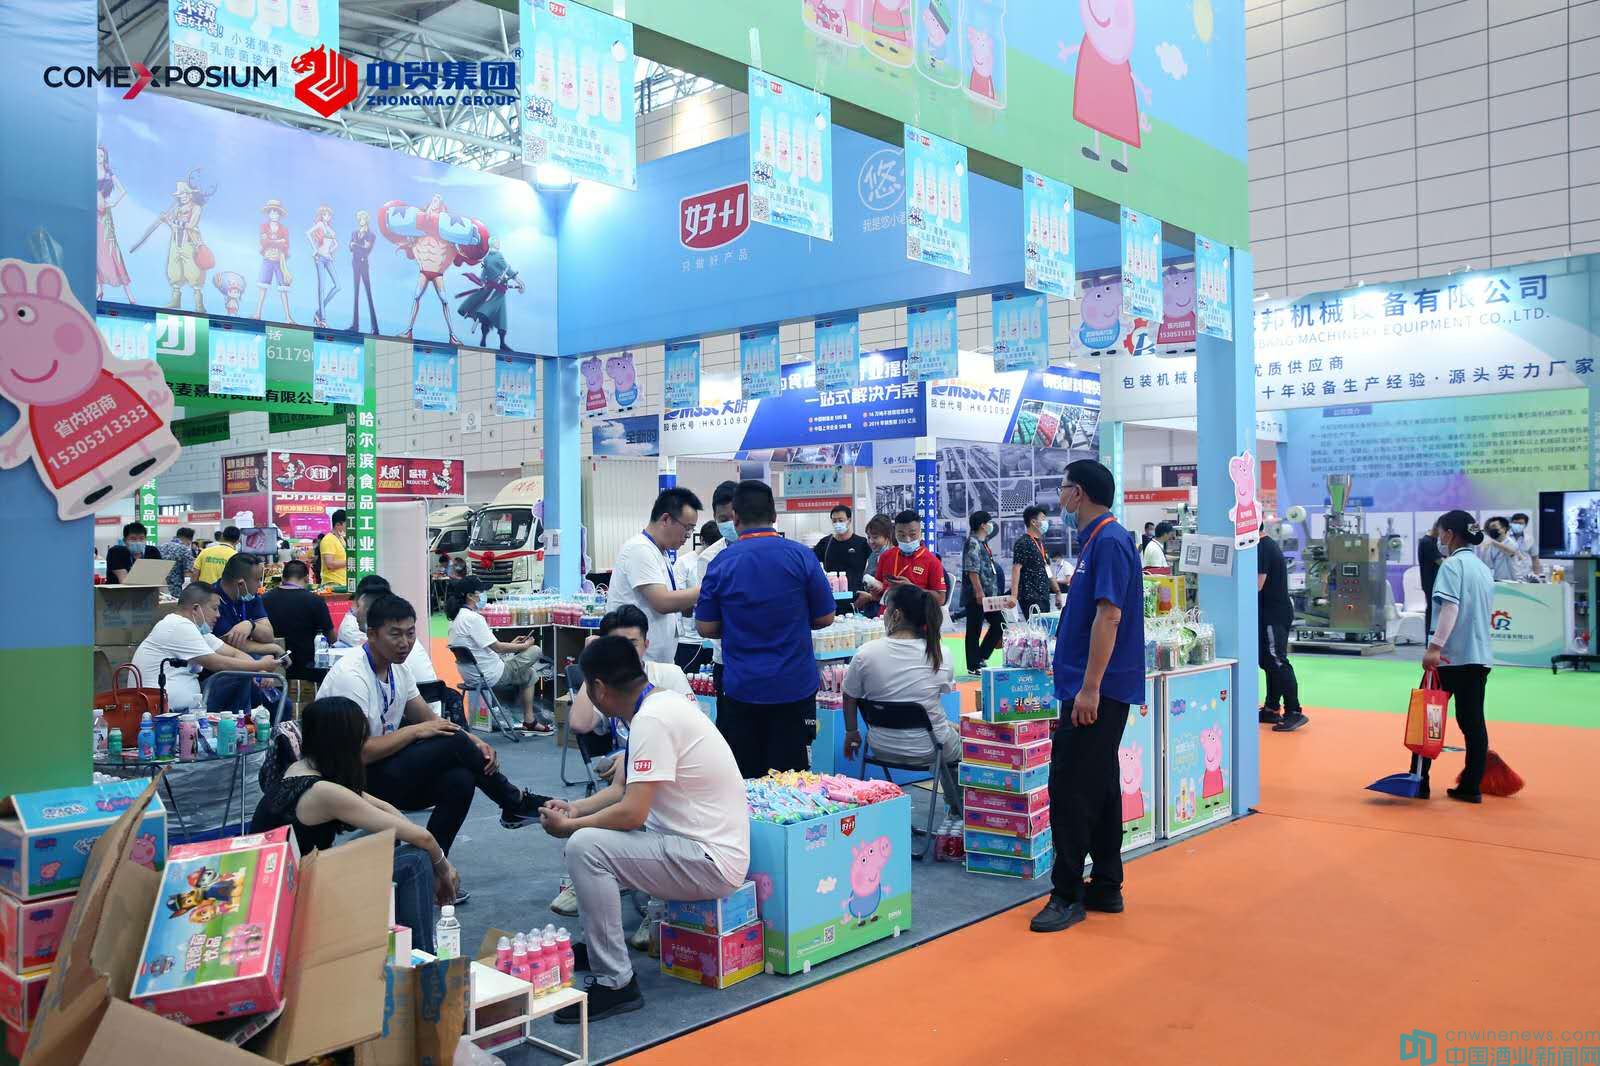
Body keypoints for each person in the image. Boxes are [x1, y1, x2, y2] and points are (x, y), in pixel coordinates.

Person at [538, 636, 749, 1023]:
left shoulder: (651, 720)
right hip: (695, 847)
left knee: (585, 847)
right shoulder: (657, 705)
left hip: (709, 860)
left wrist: (571, 826)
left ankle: (615, 982)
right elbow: (622, 791)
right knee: (589, 840)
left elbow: (632, 813)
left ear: (599, 688)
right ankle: (601, 947)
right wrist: (575, 809)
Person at [316, 594, 548, 899]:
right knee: (450, 742)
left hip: (381, 772)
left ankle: (431, 873)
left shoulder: (398, 670)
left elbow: (428, 718)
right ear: (371, 634)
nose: (405, 643)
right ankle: (513, 802)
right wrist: (416, 732)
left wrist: (476, 742)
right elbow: (358, 753)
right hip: (346, 782)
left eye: (410, 633)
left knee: (460, 779)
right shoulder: (352, 676)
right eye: (395, 634)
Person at [1032, 460, 1144, 934]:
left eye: (1062, 489)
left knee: (1072, 788)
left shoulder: (1110, 541)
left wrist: (1091, 687)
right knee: (1099, 784)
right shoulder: (1098, 540)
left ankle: (1066, 893)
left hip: (1096, 690)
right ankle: (1106, 883)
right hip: (1091, 687)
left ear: (1077, 493)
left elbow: (1109, 616)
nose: (1059, 499)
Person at [251, 696, 456, 953]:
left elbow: (386, 810)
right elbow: (424, 838)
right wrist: (444, 869)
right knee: (416, 860)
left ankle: (395, 940)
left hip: (284, 885)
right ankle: (421, 955)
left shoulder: (299, 769)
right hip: (298, 897)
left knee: (390, 836)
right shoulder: (323, 792)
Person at [697, 480, 836, 778]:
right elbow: (826, 617)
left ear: (735, 517)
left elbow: (705, 626)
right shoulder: (802, 556)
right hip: (795, 687)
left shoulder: (721, 562)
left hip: (741, 687)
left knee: (744, 775)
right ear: (774, 515)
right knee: (793, 778)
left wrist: (738, 626)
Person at [841, 584, 960, 816]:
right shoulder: (940, 653)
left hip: (881, 746)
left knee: (947, 731)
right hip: (930, 747)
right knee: (967, 746)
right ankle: (959, 810)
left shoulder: (866, 653)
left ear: (896, 615)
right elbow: (935, 697)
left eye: (886, 609)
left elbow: (849, 695)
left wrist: (852, 732)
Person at [1419, 510, 1495, 803]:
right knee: (1473, 724)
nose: (1438, 537)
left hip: (1449, 659)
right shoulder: (1482, 568)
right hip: (1479, 657)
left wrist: (1435, 647)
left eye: (1440, 532)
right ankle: (1471, 786)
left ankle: (1419, 780)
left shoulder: (1452, 566)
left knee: (1427, 718)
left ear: (1449, 534)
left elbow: (1450, 608)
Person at [132, 583, 281, 712]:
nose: (218, 615)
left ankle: (242, 723)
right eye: (215, 608)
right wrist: (259, 665)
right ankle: (240, 727)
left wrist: (259, 671)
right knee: (239, 674)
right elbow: (216, 663)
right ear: (196, 609)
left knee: (243, 673)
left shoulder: (197, 630)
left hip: (190, 704)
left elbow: (234, 654)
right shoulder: (179, 625)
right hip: (164, 711)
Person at [606, 488, 703, 665]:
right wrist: (709, 588)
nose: (688, 536)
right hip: (637, 661)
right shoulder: (640, 549)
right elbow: (662, 602)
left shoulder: (660, 552)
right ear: (666, 519)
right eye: (687, 528)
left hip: (655, 659)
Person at [446, 576, 552, 735]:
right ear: (471, 595)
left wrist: (513, 645)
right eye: (481, 591)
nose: (483, 595)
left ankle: (529, 721)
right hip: (490, 674)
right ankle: (529, 721)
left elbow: (489, 648)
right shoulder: (473, 618)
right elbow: (497, 647)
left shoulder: (458, 619)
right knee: (535, 650)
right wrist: (524, 646)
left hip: (472, 674)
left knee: (530, 674)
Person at [1256, 530, 1307, 731]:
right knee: (1268, 661)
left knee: (1277, 660)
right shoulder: (1264, 545)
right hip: (1269, 612)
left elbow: (1257, 584)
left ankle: (1294, 711)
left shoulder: (1262, 547)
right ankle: (1271, 707)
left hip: (1274, 614)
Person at [857, 510, 948, 610]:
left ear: (920, 534)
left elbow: (941, 599)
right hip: (887, 614)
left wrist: (912, 589)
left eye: (912, 534)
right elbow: (879, 596)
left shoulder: (932, 561)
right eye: (902, 535)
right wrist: (874, 589)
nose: (907, 539)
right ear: (895, 534)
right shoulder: (886, 556)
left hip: (916, 615)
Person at [262, 560, 335, 682]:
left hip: (273, 668)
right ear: (306, 578)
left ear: (283, 578)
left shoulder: (264, 599)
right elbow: (331, 636)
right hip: (308, 670)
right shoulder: (315, 601)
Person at [673, 521, 720, 673]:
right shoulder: (684, 563)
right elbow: (677, 599)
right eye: (710, 546)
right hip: (689, 639)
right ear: (702, 540)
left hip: (713, 639)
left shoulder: (721, 560)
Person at [961, 510, 1005, 676]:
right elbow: (972, 570)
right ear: (982, 525)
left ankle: (981, 656)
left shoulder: (982, 542)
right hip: (977, 595)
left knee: (999, 625)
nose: (991, 525)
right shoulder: (972, 542)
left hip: (989, 595)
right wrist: (978, 591)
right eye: (989, 522)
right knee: (974, 629)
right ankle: (973, 665)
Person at [215, 554, 282, 655]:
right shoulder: (211, 600)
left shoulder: (250, 596)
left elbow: (268, 636)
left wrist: (251, 625)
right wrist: (272, 648)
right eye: (257, 579)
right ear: (241, 584)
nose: (259, 585)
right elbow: (228, 643)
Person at [1011, 505, 1060, 619]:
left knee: (1045, 628)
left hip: (1044, 595)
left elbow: (1048, 570)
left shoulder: (1040, 544)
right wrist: (1013, 595)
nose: (1046, 522)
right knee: (1037, 628)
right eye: (1043, 518)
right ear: (1033, 522)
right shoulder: (1023, 543)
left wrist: (1057, 592)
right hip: (1030, 596)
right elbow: (1016, 569)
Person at [813, 505, 872, 598]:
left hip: (856, 595)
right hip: (832, 595)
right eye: (834, 521)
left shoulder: (862, 543)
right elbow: (812, 563)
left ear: (849, 520)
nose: (837, 523)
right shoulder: (825, 543)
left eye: (841, 520)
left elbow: (875, 564)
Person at [859, 513, 895, 617]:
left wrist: (870, 597)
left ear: (888, 536)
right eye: (868, 537)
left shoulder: (895, 556)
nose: (871, 541)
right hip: (871, 611)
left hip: (887, 612)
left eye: (875, 537)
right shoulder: (873, 555)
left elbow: (896, 592)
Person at [1417, 521, 1442, 637]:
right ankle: (1430, 636)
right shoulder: (1427, 542)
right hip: (1430, 582)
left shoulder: (1432, 541)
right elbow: (1440, 561)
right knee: (1432, 610)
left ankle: (1432, 636)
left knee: (1434, 609)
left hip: (1432, 581)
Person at [157, 527, 197, 599]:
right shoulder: (185, 550)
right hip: (176, 590)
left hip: (159, 589)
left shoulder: (160, 547)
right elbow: (188, 574)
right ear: (189, 540)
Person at [317, 510, 348, 588]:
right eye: (346, 524)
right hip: (333, 583)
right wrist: (350, 562)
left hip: (342, 582)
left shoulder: (341, 539)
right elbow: (330, 564)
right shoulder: (328, 540)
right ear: (338, 524)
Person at [1507, 512, 1541, 579]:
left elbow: (1535, 558)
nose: (1517, 525)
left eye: (1520, 523)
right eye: (1515, 523)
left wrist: (1536, 575)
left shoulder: (1530, 539)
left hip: (1524, 574)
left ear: (1525, 525)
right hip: (1507, 574)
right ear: (1511, 523)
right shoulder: (1504, 537)